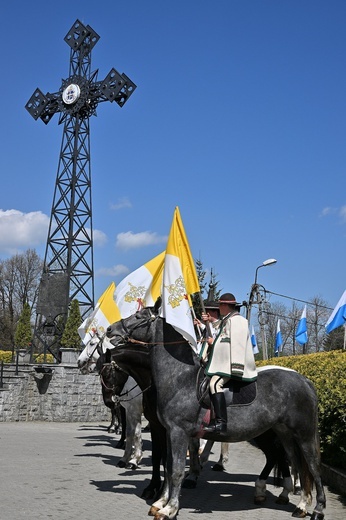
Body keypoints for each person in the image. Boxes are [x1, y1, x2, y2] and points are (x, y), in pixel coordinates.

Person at [202, 293, 257, 434]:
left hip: (229, 365)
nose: (218, 308)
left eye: (220, 304)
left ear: (225, 306)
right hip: (223, 364)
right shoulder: (228, 319)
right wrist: (207, 322)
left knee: (214, 384)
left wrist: (236, 368)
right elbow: (219, 331)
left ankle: (221, 423)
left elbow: (237, 345)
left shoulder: (237, 321)